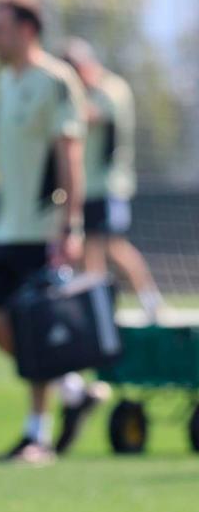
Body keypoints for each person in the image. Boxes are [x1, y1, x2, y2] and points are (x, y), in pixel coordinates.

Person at [0, 0, 98, 465]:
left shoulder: (56, 81)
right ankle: (73, 389)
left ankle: (38, 436)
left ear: (27, 30)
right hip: (6, 227)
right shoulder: (6, 81)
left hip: (42, 228)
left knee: (34, 329)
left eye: (2, 26)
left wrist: (69, 225)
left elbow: (69, 153)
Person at [62, 38, 164, 324]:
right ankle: (98, 310)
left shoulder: (111, 88)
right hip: (86, 185)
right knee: (90, 248)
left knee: (110, 246)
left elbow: (88, 116)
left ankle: (148, 300)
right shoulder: (84, 92)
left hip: (107, 184)